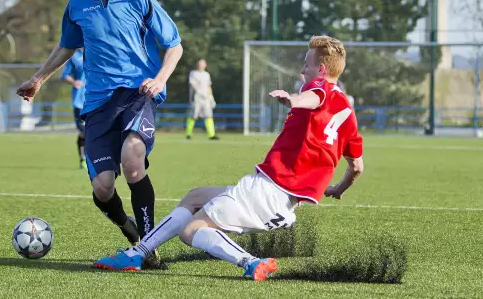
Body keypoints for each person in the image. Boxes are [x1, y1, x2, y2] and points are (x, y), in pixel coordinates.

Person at [94, 36, 364, 281]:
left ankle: (250, 262)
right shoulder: (348, 116)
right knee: (195, 197)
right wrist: (337, 189)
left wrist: (293, 99)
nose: (302, 70)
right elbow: (357, 167)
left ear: (323, 70)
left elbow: (316, 97)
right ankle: (137, 254)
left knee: (191, 231)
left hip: (266, 191)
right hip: (283, 205)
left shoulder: (319, 90)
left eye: (306, 64)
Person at [16, 0, 183, 268]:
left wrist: (160, 79)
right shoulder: (78, 6)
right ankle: (131, 231)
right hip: (98, 103)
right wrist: (38, 79)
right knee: (103, 188)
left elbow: (174, 45)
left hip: (138, 93)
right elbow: (66, 47)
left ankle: (147, 248)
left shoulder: (139, 0)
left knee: (133, 159)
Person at [60, 48, 87, 169]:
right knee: (85, 131)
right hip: (80, 100)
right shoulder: (74, 56)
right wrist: (74, 82)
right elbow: (65, 75)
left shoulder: (97, 49)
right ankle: (83, 159)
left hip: (97, 97)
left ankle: (98, 160)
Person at [186, 59, 218, 140]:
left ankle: (212, 134)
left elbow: (208, 86)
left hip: (206, 98)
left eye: (203, 64)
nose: (201, 65)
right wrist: (199, 91)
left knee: (208, 115)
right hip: (196, 97)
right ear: (197, 65)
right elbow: (192, 84)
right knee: (194, 116)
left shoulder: (206, 74)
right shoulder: (193, 73)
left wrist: (211, 97)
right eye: (200, 64)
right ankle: (188, 134)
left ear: (205, 65)